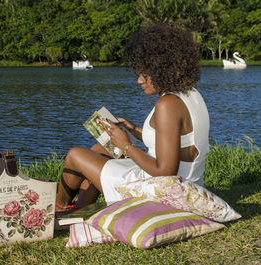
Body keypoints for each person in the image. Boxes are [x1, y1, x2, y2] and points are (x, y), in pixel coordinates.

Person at [55, 24, 210, 212]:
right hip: (183, 182)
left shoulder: (167, 104)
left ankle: (58, 209)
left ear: (163, 69)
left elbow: (165, 172)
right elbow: (173, 141)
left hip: (166, 193)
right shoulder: (189, 94)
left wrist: (126, 146)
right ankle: (80, 210)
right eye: (138, 74)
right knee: (101, 149)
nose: (139, 81)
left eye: (145, 75)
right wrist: (133, 129)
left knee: (75, 155)